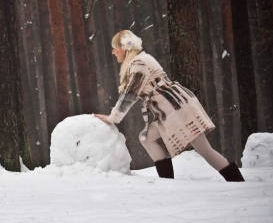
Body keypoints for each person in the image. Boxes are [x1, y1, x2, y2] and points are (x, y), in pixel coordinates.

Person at [95, 30, 244, 182]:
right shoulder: (142, 59)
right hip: (174, 107)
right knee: (146, 138)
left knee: (204, 149)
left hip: (177, 108)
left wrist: (112, 118)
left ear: (125, 48)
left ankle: (236, 181)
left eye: (115, 47)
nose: (113, 52)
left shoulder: (139, 63)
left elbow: (130, 94)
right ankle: (167, 182)